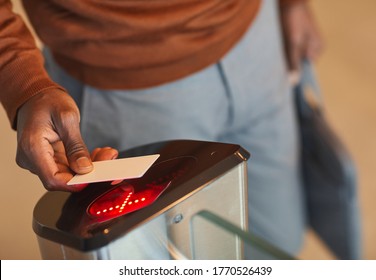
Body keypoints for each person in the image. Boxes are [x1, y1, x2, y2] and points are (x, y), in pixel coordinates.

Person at [0, 0, 322, 258]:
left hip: (254, 32)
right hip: (122, 82)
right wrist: (23, 81)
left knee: (278, 242)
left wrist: (291, 3)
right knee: (167, 258)